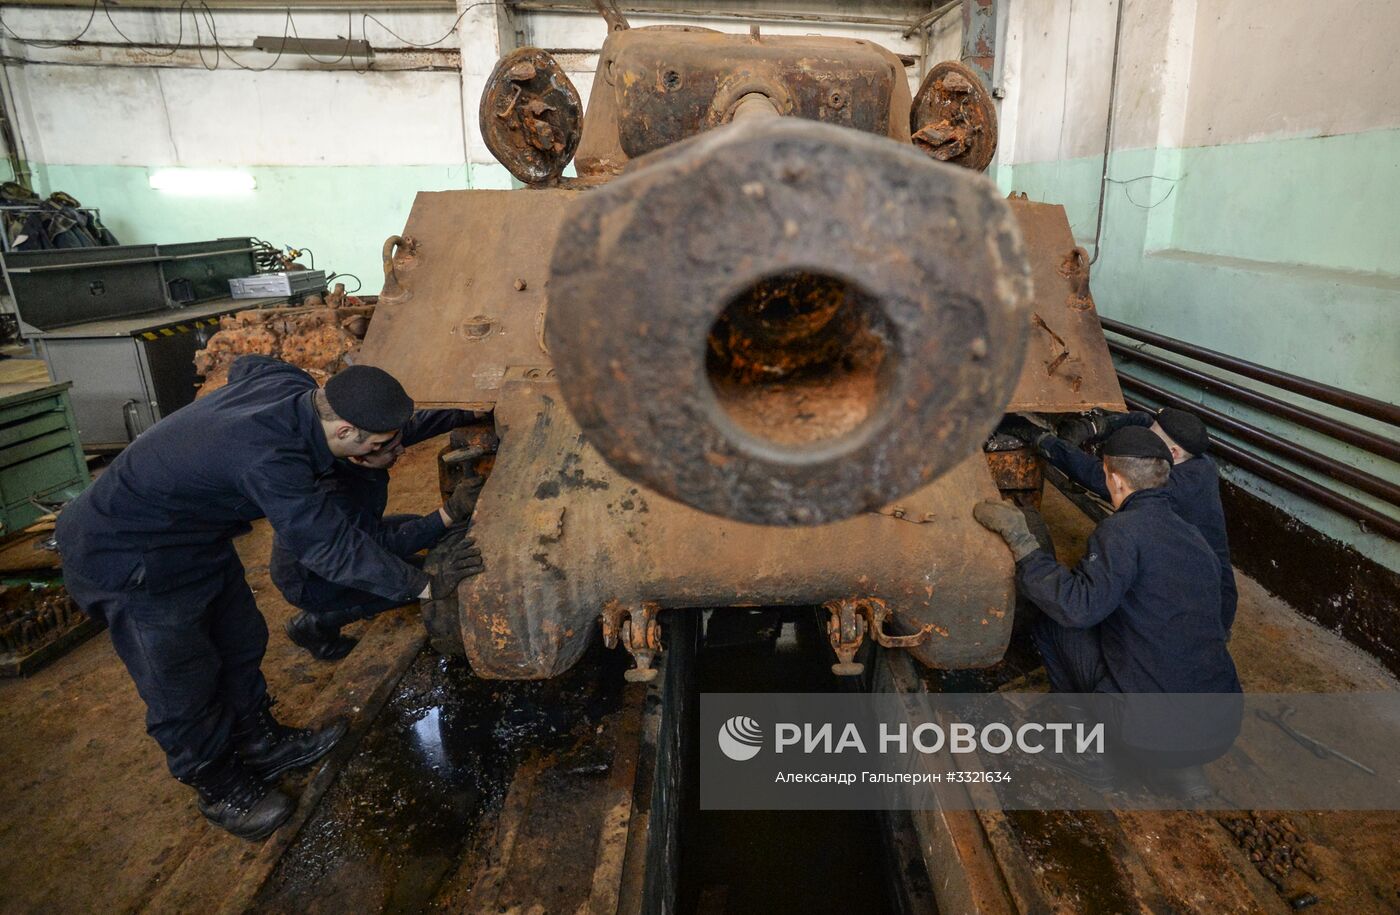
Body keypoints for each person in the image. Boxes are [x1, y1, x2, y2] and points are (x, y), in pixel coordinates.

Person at [56, 356, 485, 841]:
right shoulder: (271, 460)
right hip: (126, 555)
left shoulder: (294, 387)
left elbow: (248, 366)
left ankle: (258, 741)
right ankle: (218, 788)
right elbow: (329, 548)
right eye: (383, 445)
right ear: (344, 432)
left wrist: (468, 411)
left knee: (241, 640)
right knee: (182, 680)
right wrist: (425, 584)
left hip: (194, 539)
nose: (392, 451)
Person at [974, 427, 1241, 793]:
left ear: (1114, 479)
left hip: (1149, 731)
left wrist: (1022, 541)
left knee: (1053, 620)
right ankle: (1181, 768)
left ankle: (1093, 755)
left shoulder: (1121, 532)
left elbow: (1075, 608)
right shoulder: (1194, 536)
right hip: (1220, 727)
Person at [274, 408, 485, 661]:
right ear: (361, 456)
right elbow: (377, 549)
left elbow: (417, 424)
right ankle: (313, 625)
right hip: (315, 578)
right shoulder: (333, 495)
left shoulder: (362, 444)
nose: (402, 450)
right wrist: (451, 511)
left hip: (359, 531)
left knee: (422, 528)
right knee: (418, 579)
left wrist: (471, 413)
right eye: (391, 450)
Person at [1025, 406, 1238, 636]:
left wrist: (1045, 442)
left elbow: (1097, 477)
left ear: (1173, 453)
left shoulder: (1178, 485)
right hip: (1181, 568)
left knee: (1074, 620)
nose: (1145, 435)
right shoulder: (1192, 458)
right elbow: (1143, 420)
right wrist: (1095, 426)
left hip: (1206, 608)